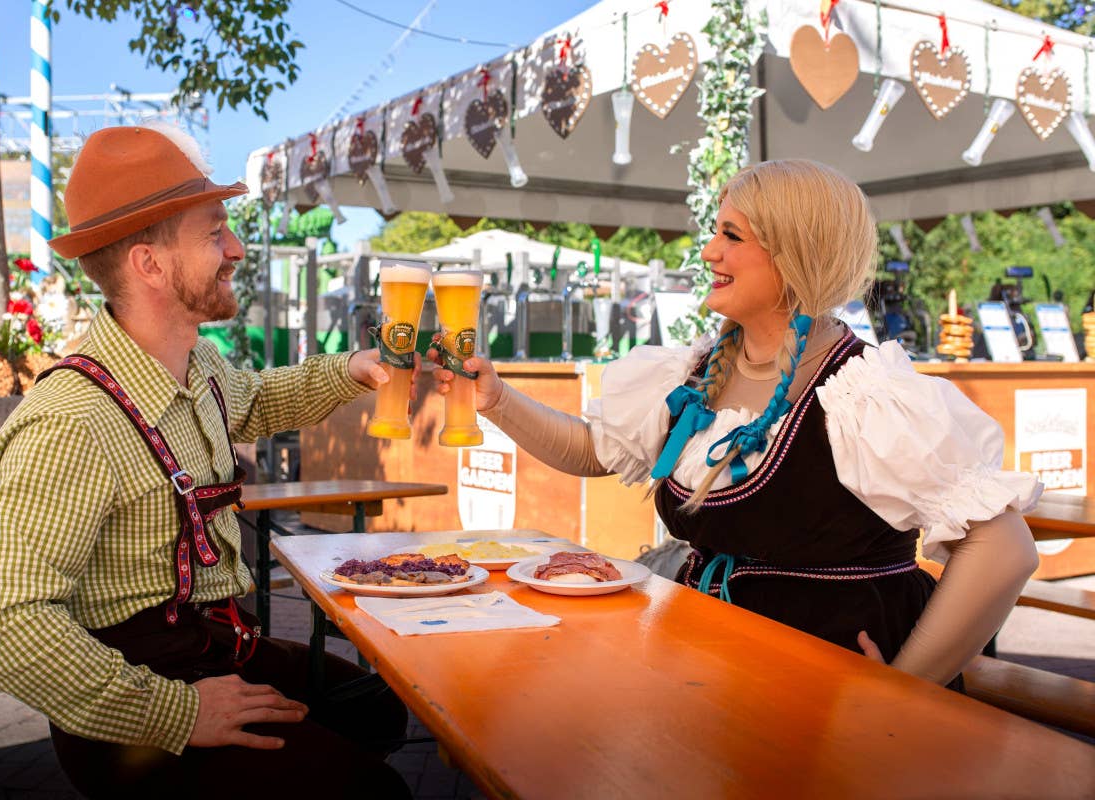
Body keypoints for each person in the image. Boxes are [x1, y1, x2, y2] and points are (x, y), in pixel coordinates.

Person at [431, 159, 1041, 688]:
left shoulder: (867, 393)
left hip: (830, 688)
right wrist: (498, 398)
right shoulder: (698, 369)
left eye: (732, 235)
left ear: (796, 251)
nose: (708, 252)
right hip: (713, 663)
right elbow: (595, 451)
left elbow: (1002, 550)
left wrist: (907, 689)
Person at [0, 124, 412, 798]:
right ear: (149, 264)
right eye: (213, 234)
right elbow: (2, 626)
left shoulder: (197, 364)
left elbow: (255, 400)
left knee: (376, 709)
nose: (235, 250)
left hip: (211, 645)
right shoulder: (70, 422)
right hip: (129, 713)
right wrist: (179, 713)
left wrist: (354, 369)